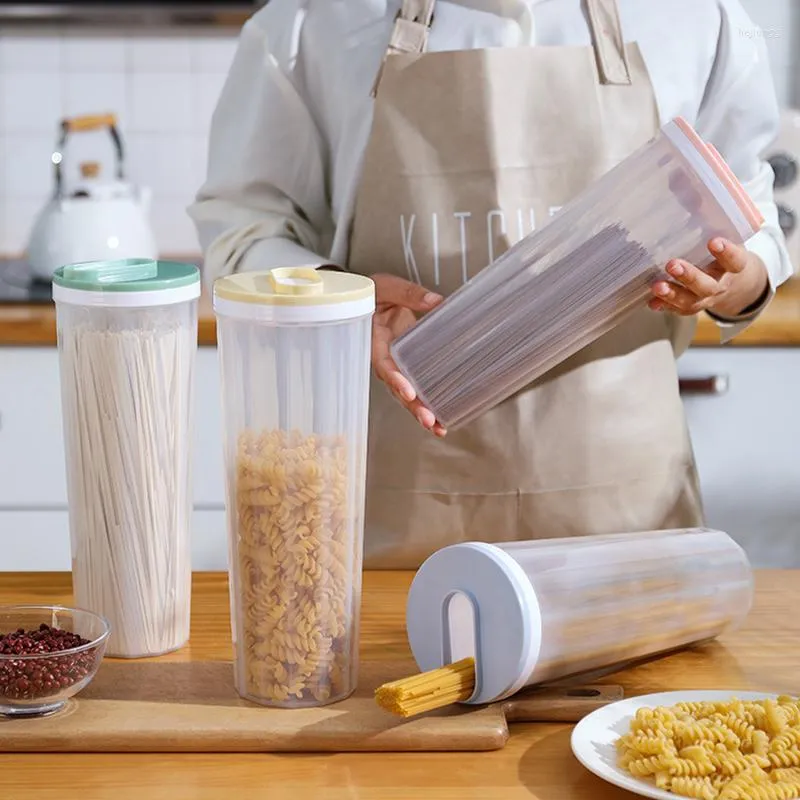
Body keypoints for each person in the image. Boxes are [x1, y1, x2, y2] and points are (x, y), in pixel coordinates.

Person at [189, 0, 794, 569]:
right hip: (396, 534)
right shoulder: (313, 22)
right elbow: (242, 227)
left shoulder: (695, 17)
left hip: (630, 536)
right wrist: (336, 299)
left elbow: (753, 219)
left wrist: (735, 281)